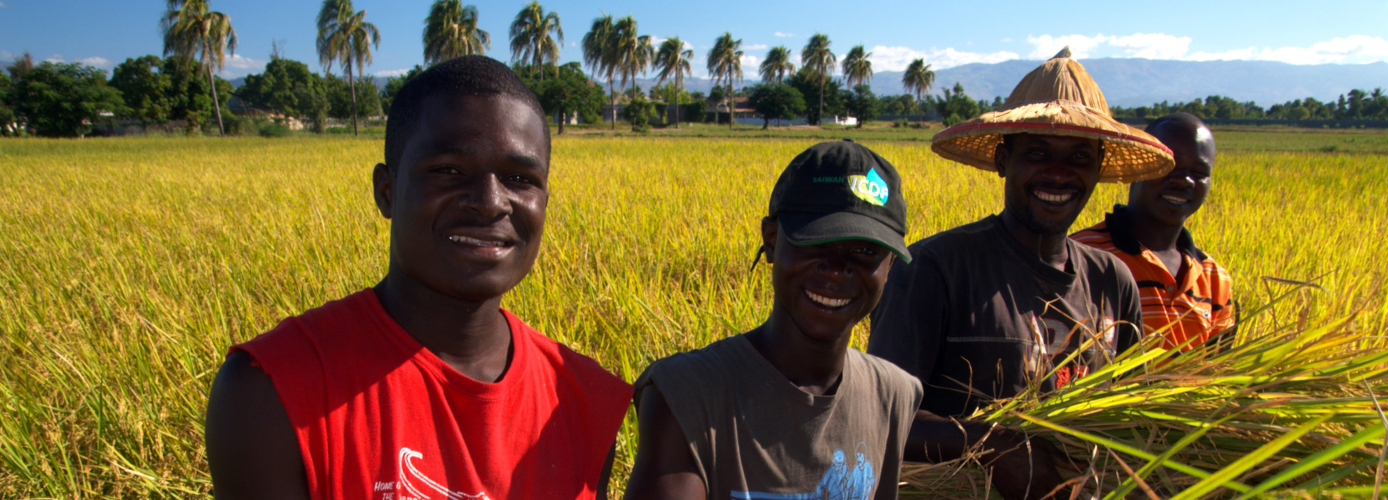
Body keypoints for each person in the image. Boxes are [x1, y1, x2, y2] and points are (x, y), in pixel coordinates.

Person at [205, 56, 632, 500]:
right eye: (448, 170)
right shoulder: (271, 392)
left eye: (519, 178)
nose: (489, 202)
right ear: (386, 191)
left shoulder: (586, 401)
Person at [867, 48, 1174, 500]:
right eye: (1037, 152)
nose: (1058, 173)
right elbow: (877, 418)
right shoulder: (935, 269)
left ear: (1098, 169)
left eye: (1078, 157)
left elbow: (1133, 423)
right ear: (1002, 159)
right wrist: (993, 445)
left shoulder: (1112, 281)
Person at [623, 140, 924, 500]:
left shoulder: (892, 395)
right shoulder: (689, 396)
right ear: (770, 239)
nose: (837, 269)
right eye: (816, 241)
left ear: (890, 265)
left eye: (865, 251)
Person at [1071, 113, 1236, 352]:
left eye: (1199, 173)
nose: (1185, 181)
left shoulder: (1214, 278)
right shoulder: (1082, 256)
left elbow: (1218, 371)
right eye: (1169, 165)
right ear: (1137, 165)